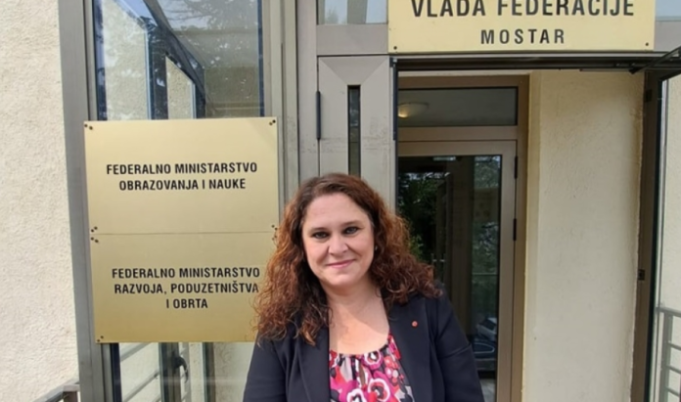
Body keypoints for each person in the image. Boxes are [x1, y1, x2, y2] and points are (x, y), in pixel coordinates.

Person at [243, 173, 484, 402]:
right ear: (301, 247)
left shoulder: (427, 305)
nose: (337, 248)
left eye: (351, 230)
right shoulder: (282, 327)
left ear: (376, 234)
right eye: (320, 234)